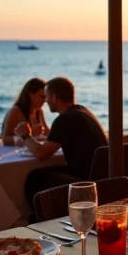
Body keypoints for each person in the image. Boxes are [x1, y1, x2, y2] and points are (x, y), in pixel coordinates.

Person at [17, 77, 109, 207]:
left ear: (54, 97)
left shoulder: (65, 118)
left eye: (47, 96)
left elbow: (41, 154)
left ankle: (40, 219)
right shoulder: (84, 112)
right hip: (103, 177)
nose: (46, 101)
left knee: (35, 177)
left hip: (86, 180)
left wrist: (25, 135)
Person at [1, 78, 50, 146]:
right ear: (30, 95)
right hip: (16, 153)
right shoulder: (16, 111)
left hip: (31, 151)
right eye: (41, 96)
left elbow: (48, 133)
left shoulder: (39, 111)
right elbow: (5, 139)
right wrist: (29, 133)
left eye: (46, 97)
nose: (45, 100)